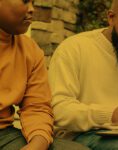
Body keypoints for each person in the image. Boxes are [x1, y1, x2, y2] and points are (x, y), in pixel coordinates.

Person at [48, 0, 118, 149]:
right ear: (111, 18)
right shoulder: (74, 48)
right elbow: (58, 110)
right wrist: (110, 114)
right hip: (84, 135)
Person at [0, 0, 90, 150]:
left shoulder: (30, 50)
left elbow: (36, 107)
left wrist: (37, 144)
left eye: (33, 2)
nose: (31, 9)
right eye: (25, 1)